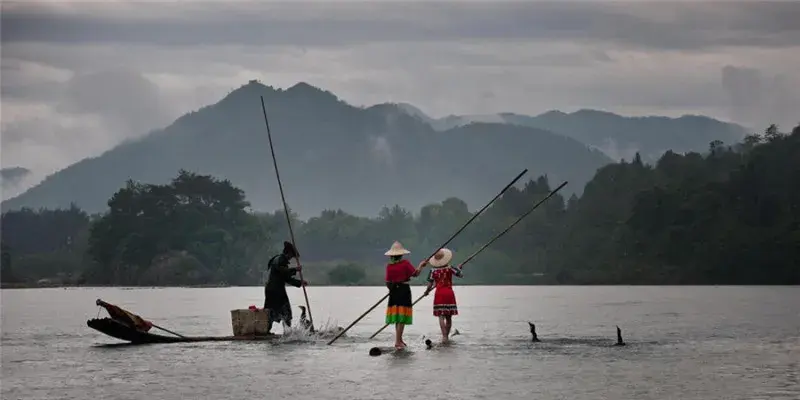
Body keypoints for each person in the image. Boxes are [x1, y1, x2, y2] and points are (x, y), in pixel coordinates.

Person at [384, 241, 423, 350]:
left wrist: (392, 289)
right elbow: (415, 274)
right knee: (401, 316)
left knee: (397, 316)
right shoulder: (405, 263)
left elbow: (387, 282)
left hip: (393, 292)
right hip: (403, 290)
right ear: (401, 254)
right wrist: (421, 265)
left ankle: (399, 339)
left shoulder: (389, 266)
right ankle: (398, 341)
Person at [264, 241, 308, 334]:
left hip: (274, 290)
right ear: (288, 253)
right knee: (280, 311)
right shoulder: (279, 260)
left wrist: (300, 283)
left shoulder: (281, 261)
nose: (291, 258)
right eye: (291, 256)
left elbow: (287, 278)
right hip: (275, 291)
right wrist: (295, 269)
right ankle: (269, 332)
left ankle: (285, 332)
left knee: (274, 311)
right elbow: (283, 271)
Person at [423, 248, 463, 344]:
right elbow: (460, 275)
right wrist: (458, 268)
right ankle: (446, 337)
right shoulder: (450, 268)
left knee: (441, 316)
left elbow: (430, 284)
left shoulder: (433, 271)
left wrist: (426, 291)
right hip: (449, 293)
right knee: (449, 317)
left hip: (439, 294)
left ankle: (444, 336)